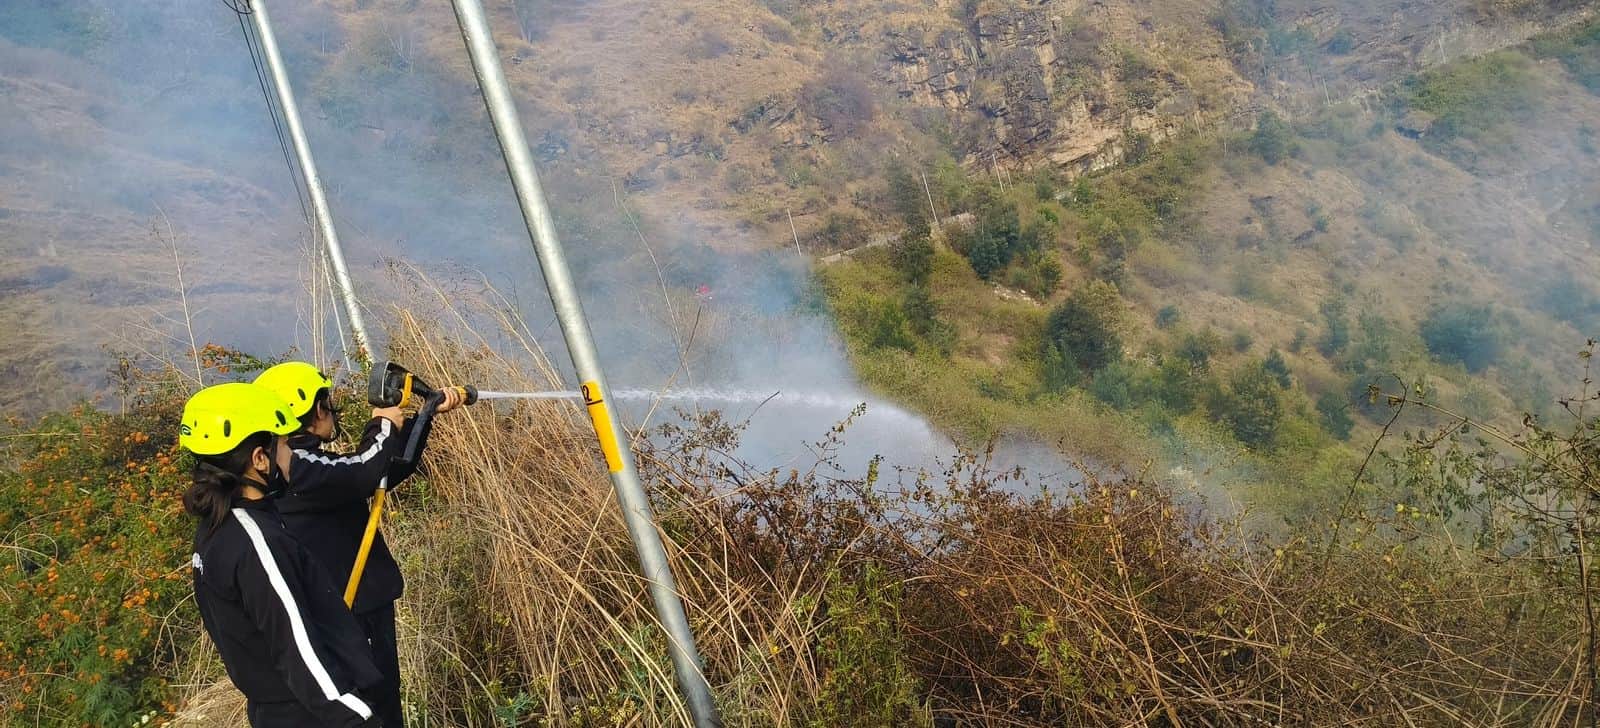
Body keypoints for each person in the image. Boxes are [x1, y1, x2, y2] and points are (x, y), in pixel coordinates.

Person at [253, 362, 463, 728]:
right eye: (326, 402)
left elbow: (383, 472)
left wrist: (424, 416)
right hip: (352, 612)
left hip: (348, 607)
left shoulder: (289, 466)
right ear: (314, 410)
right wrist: (382, 423)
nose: (331, 410)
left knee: (374, 701)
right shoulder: (298, 464)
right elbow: (364, 470)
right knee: (375, 706)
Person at [180, 382, 383, 727]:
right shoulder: (255, 541)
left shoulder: (217, 529)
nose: (293, 454)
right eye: (286, 444)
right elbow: (296, 647)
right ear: (260, 459)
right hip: (312, 715)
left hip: (279, 712)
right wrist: (357, 718)